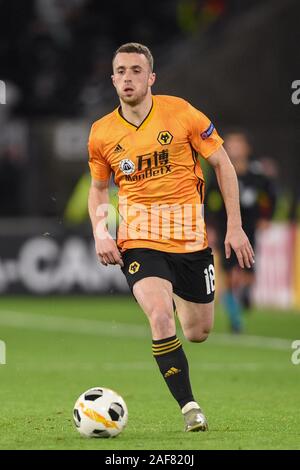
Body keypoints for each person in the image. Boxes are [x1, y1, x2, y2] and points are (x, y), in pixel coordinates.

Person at [88, 43, 254, 432]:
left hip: (191, 241)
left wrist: (234, 225)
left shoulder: (181, 113)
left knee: (197, 332)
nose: (127, 78)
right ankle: (190, 407)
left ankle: (176, 293)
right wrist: (101, 232)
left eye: (135, 71)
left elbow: (223, 164)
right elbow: (98, 189)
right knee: (161, 318)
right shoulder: (101, 133)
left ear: (151, 78)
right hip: (140, 240)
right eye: (121, 71)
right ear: (113, 79)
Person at [206, 132, 276, 332]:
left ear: (247, 148)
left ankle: (245, 293)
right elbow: (209, 199)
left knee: (248, 273)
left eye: (238, 144)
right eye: (231, 145)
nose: (234, 148)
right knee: (229, 274)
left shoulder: (257, 173)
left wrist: (266, 217)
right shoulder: (218, 171)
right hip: (225, 227)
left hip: (249, 228)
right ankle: (235, 318)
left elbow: (269, 196)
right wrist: (210, 225)